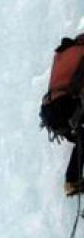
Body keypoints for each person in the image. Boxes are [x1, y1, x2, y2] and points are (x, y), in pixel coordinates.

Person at [40, 34, 84, 196]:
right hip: (64, 104)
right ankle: (72, 180)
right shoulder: (81, 53)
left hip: (50, 110)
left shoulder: (64, 52)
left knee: (82, 138)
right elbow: (77, 85)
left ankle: (72, 182)